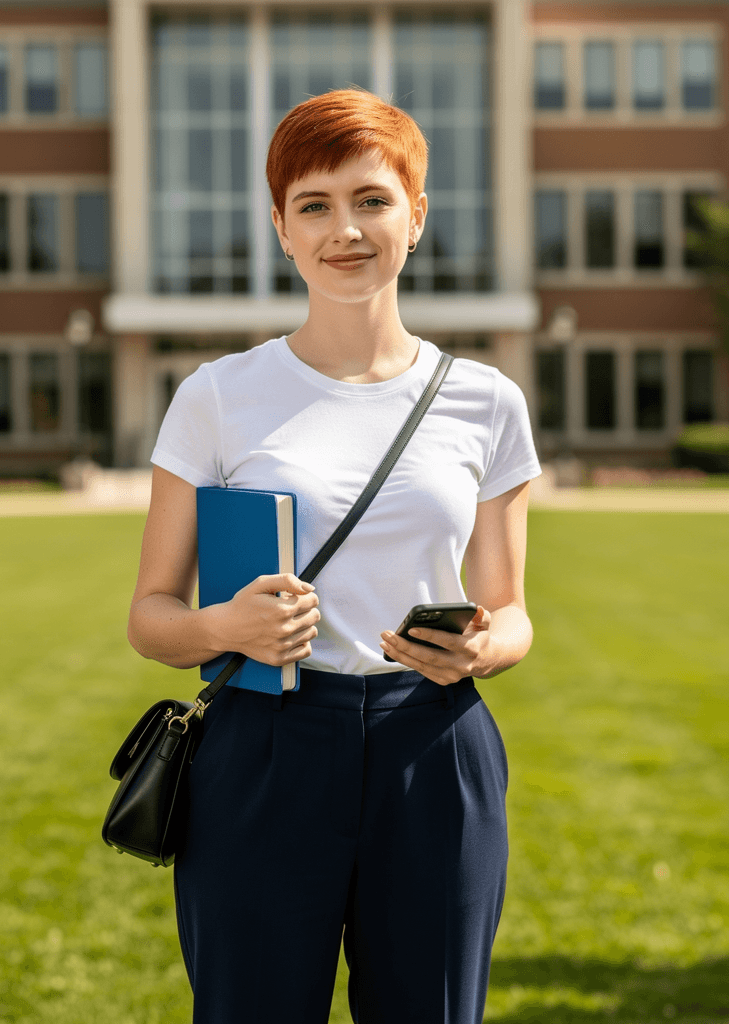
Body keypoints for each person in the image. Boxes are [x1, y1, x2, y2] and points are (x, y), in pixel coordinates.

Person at [128, 88, 541, 1024]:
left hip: (433, 746)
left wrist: (482, 648)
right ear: (280, 227)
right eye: (313, 205)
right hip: (263, 745)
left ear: (417, 215)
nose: (344, 229)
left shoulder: (487, 400)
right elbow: (150, 614)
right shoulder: (217, 396)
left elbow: (511, 610)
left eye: (371, 199)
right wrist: (219, 627)